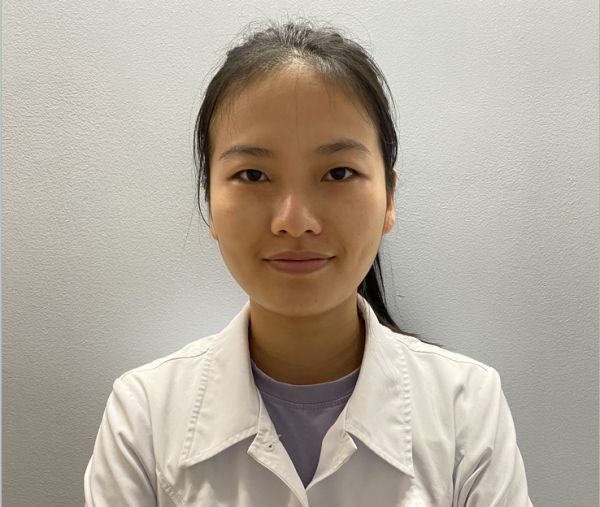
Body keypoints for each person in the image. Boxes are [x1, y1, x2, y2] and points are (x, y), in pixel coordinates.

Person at [84, 18, 533, 506]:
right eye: (253, 175)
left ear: (389, 198)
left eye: (338, 173)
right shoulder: (144, 417)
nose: (295, 222)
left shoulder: (466, 407)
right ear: (209, 202)